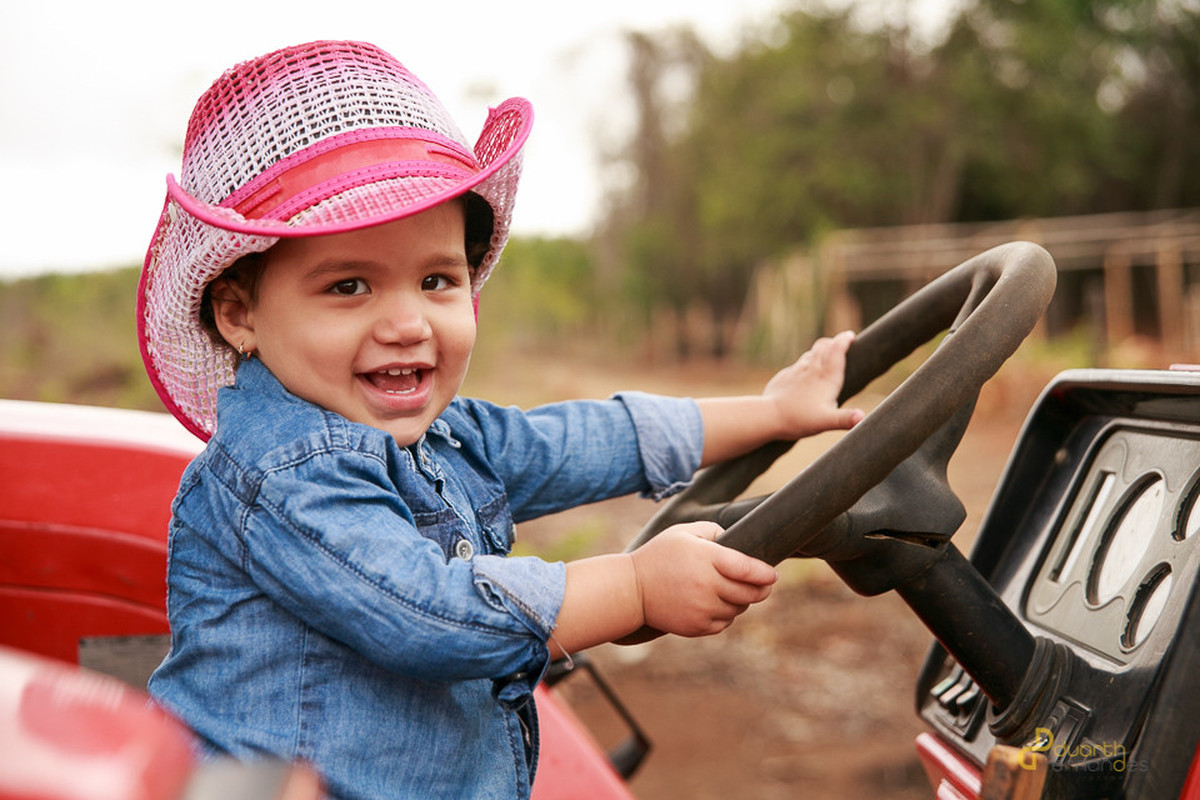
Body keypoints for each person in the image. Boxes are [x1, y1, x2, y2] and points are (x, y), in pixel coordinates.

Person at [137, 40, 864, 800]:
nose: (408, 322)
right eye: (349, 285)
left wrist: (771, 412)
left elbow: (586, 440)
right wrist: (636, 589)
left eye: (436, 279)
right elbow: (428, 613)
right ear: (238, 313)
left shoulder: (440, 438)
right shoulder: (284, 472)